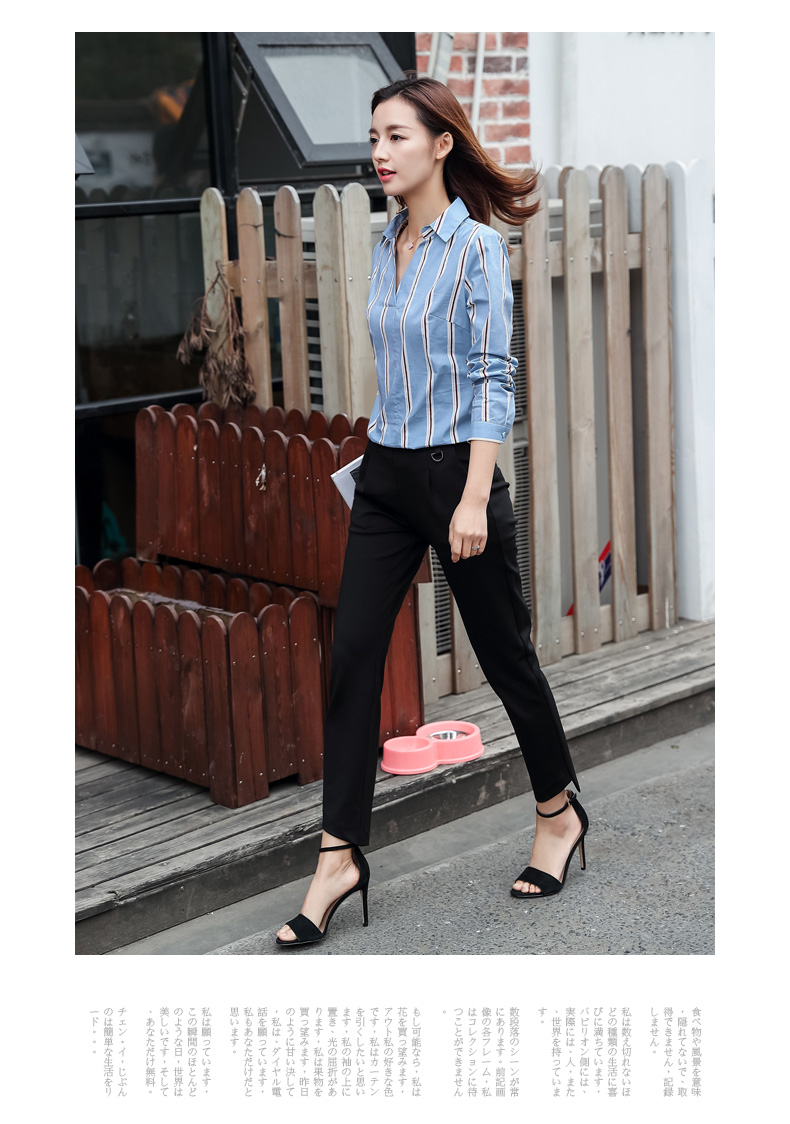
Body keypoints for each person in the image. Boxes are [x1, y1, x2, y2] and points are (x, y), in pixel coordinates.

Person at [276, 73, 588, 949]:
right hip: (386, 475)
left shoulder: (476, 248)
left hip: (458, 475)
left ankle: (558, 810)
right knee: (352, 657)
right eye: (374, 136)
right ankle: (338, 856)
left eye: (397, 136)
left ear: (442, 144)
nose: (379, 152)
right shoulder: (388, 244)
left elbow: (494, 378)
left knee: (504, 655)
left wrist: (476, 493)